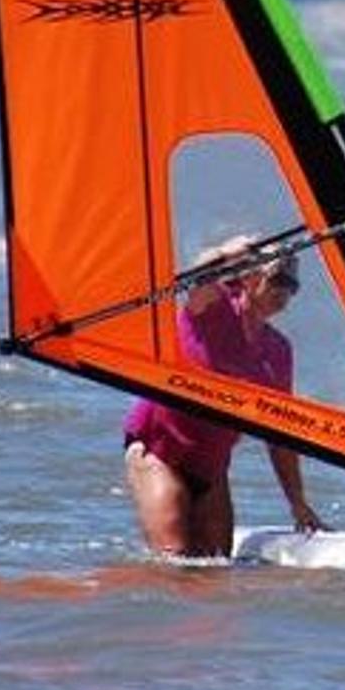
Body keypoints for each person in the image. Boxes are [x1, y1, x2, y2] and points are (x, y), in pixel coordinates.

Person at [122, 238, 325, 557]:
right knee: (174, 556)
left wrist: (297, 503)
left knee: (216, 566)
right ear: (248, 278)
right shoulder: (213, 309)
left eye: (292, 286)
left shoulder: (278, 350)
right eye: (277, 281)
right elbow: (197, 275)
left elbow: (280, 432)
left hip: (212, 466)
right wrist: (228, 252)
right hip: (160, 450)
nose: (284, 292)